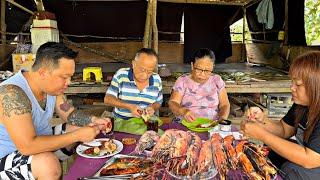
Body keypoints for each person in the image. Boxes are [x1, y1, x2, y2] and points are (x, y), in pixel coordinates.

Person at [0, 42, 112, 180]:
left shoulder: (51, 89)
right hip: (7, 158)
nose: (69, 82)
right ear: (43, 73)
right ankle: (51, 171)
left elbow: (68, 113)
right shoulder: (11, 93)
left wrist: (93, 120)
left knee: (77, 128)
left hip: (38, 143)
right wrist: (77, 136)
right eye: (64, 77)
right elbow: (27, 146)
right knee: (48, 164)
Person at [241, 51, 320, 180]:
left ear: (316, 85)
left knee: (292, 170)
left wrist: (262, 134)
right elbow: (284, 130)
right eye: (292, 82)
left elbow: (310, 159)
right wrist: (262, 120)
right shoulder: (302, 105)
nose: (292, 88)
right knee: (270, 151)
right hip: (310, 158)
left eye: (298, 84)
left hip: (313, 162)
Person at [168, 48, 230, 122]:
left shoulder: (217, 80)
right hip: (186, 123)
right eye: (199, 69)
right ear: (192, 65)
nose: (202, 74)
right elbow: (173, 103)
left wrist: (222, 118)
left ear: (213, 67)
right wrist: (183, 111)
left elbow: (225, 104)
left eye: (207, 70)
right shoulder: (182, 80)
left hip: (211, 124)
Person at [104, 48, 163, 120]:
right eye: (142, 70)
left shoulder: (156, 79)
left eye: (149, 72)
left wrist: (153, 107)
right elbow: (108, 99)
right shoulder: (121, 75)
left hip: (145, 122)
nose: (144, 75)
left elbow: (159, 101)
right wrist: (129, 106)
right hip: (121, 121)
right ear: (133, 63)